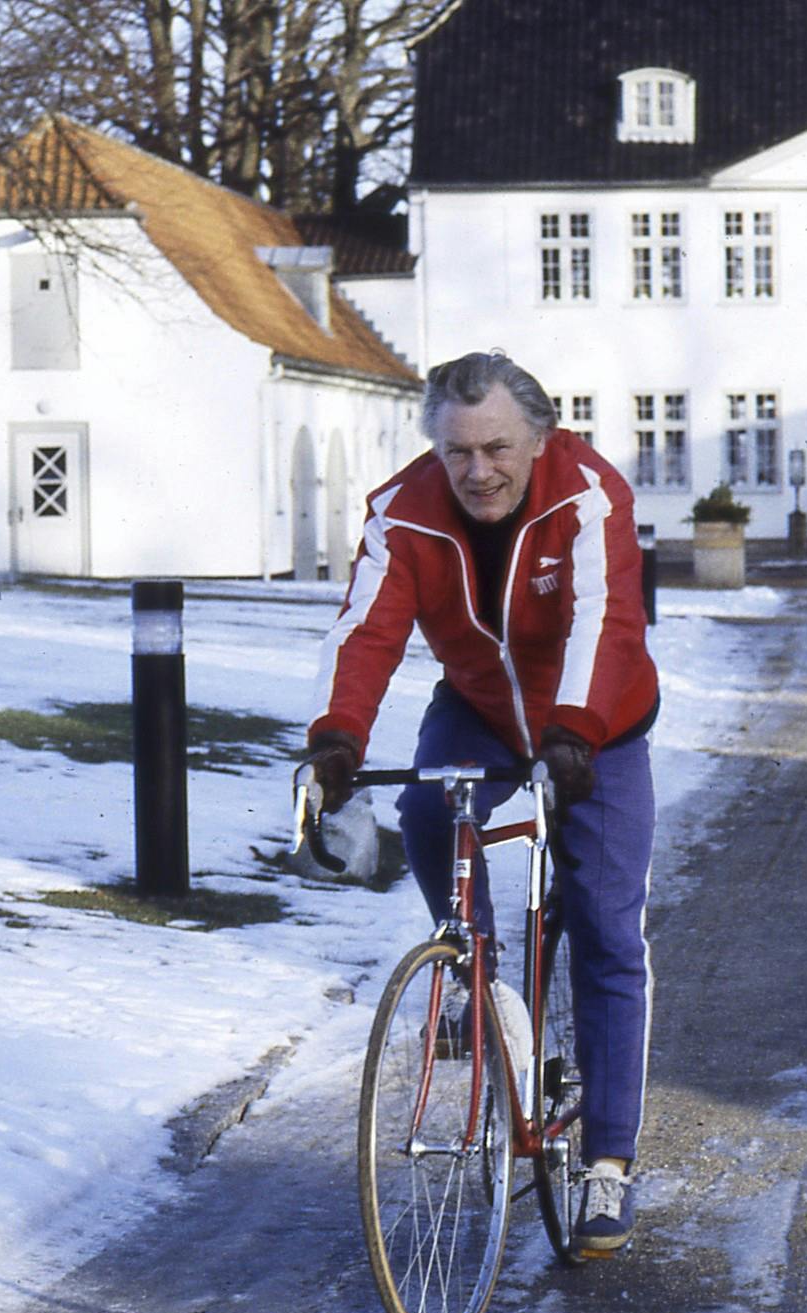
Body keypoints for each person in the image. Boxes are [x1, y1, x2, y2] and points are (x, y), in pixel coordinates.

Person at [304, 351, 660, 1253]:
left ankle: (610, 1166)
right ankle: (484, 977)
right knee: (428, 809)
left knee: (608, 931)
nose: (477, 471)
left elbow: (604, 622)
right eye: (457, 451)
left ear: (538, 437)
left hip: (599, 724)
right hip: (480, 708)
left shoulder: (588, 495)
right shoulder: (404, 511)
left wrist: (575, 731)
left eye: (497, 447)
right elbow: (368, 626)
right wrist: (338, 736)